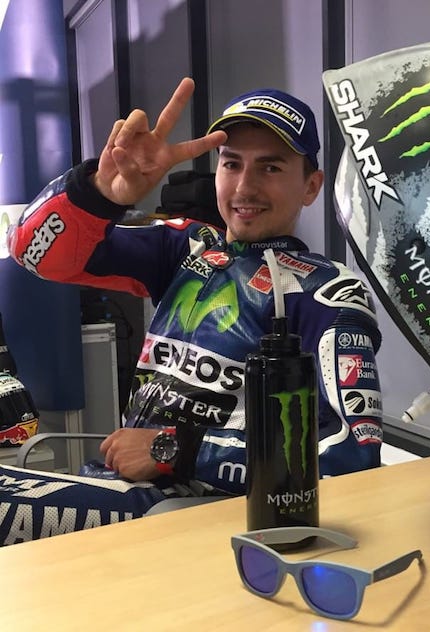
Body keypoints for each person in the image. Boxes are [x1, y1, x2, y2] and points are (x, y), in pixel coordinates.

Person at [0, 78, 382, 545]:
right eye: (232, 164)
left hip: (193, 513)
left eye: (270, 167)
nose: (245, 187)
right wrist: (101, 192)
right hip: (114, 485)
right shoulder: (185, 248)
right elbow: (32, 253)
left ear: (311, 186)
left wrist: (174, 450)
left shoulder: (328, 293)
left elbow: (352, 461)